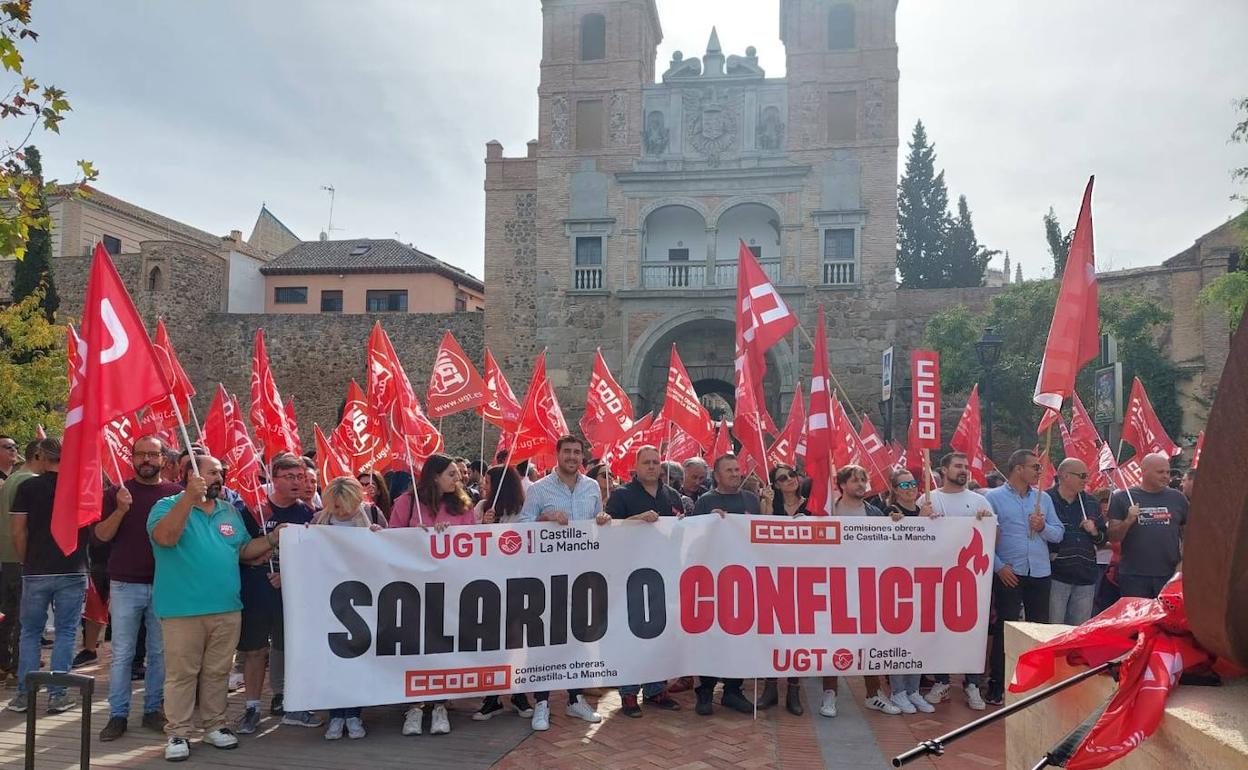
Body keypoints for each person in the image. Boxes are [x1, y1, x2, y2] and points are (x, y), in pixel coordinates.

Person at [148, 454, 283, 762]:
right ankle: (178, 733)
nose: (219, 478)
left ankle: (214, 726)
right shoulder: (166, 507)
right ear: (188, 476)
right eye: (211, 473)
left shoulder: (229, 512)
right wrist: (187, 499)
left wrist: (272, 538)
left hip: (226, 608)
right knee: (182, 674)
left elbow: (244, 551)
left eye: (221, 473)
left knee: (217, 672)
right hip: (182, 609)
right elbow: (166, 538)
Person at [94, 436, 183, 741]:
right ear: (131, 458)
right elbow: (101, 536)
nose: (146, 459)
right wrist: (120, 510)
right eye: (140, 454)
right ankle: (117, 715)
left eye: (152, 454)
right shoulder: (116, 493)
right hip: (124, 584)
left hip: (165, 584)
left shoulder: (176, 494)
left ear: (163, 459)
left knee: (159, 653)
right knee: (122, 654)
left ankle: (152, 710)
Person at [517, 436, 604, 731]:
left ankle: (575, 698)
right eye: (566, 451)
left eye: (577, 452)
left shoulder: (592, 487)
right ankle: (541, 700)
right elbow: (521, 526)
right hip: (546, 575)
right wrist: (544, 518)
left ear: (582, 456)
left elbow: (597, 525)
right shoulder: (540, 489)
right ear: (557, 455)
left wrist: (603, 520)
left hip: (582, 575)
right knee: (543, 639)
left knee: (578, 636)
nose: (572, 456)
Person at [236, 454, 320, 735]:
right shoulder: (253, 509)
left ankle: (287, 700)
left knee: (290, 648)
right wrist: (262, 549)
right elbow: (241, 550)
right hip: (255, 590)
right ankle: (251, 708)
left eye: (301, 477)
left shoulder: (307, 514)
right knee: (255, 651)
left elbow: (313, 557)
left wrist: (287, 574)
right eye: (290, 477)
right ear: (274, 479)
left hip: (290, 592)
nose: (298, 482)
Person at [392, 453, 475, 736]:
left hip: (452, 588)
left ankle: (440, 704)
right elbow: (390, 541)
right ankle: (414, 707)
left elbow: (477, 542)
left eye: (458, 474)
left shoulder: (463, 505)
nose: (459, 478)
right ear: (434, 477)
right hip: (414, 588)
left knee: (443, 645)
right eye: (451, 474)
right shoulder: (406, 503)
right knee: (416, 645)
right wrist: (415, 536)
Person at [6, 438, 88, 715]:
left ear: (42, 456)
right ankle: (57, 694)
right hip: (72, 567)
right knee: (66, 632)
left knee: (29, 632)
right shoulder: (79, 489)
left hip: (36, 570)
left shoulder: (27, 487)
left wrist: (24, 559)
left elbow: (18, 530)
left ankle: (24, 695)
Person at [600, 446, 683, 718]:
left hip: (662, 575)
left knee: (658, 633)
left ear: (661, 466)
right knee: (631, 632)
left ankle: (655, 688)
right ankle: (628, 692)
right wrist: (635, 521)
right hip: (629, 575)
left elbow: (682, 534)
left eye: (655, 462)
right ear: (635, 466)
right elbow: (608, 529)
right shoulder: (622, 495)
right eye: (646, 462)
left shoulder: (671, 496)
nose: (651, 466)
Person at [983, 449, 1063, 706]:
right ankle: (997, 682)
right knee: (1005, 628)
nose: (1040, 472)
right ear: (1018, 469)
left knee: (1039, 627)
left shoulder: (1044, 500)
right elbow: (984, 537)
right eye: (1035, 467)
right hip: (1010, 572)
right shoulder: (992, 498)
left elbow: (1058, 534)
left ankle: (1035, 681)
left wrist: (1043, 527)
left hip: (1040, 571)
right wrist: (998, 567)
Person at [918, 452, 995, 711]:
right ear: (943, 469)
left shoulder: (979, 502)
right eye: (958, 466)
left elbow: (996, 537)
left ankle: (971, 684)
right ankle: (942, 682)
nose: (964, 470)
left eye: (966, 466)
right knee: (939, 630)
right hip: (937, 578)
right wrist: (922, 518)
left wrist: (987, 523)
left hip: (971, 580)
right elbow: (913, 539)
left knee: (970, 631)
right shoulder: (928, 499)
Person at [823, 465, 902, 717]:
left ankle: (873, 693)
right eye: (855, 481)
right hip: (833, 583)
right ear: (842, 484)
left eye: (863, 480)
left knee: (869, 637)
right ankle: (829, 692)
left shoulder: (875, 514)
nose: (860, 485)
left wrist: (897, 524)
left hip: (866, 584)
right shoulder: (827, 511)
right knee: (831, 639)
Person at [688, 454, 758, 716]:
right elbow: (694, 539)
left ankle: (732, 690)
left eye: (738, 469)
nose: (736, 474)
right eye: (729, 470)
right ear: (716, 475)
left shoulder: (751, 500)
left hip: (743, 579)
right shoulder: (706, 501)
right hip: (713, 580)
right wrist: (708, 523)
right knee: (710, 635)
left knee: (739, 635)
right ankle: (705, 691)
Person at [313, 477, 382, 740]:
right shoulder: (320, 519)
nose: (340, 512)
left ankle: (353, 714)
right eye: (336, 507)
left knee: (356, 656)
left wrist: (379, 536)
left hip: (361, 597)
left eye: (345, 507)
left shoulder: (373, 515)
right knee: (333, 658)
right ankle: (335, 715)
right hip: (328, 598)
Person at [471, 464, 536, 722]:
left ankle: (518, 694)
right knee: (491, 642)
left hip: (517, 585)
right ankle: (492, 697)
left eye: (488, 481)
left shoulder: (523, 510)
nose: (484, 486)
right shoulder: (481, 508)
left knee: (514, 642)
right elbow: (468, 543)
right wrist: (483, 526)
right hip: (488, 585)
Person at [755, 463, 809, 715]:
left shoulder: (813, 504)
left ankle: (794, 690)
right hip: (774, 576)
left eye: (792, 475)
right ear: (775, 484)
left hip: (806, 576)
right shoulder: (772, 504)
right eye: (782, 478)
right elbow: (761, 534)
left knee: (798, 634)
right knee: (771, 631)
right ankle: (770, 688)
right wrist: (765, 505)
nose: (789, 480)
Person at [1106, 452, 1188, 599]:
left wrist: (1182, 563)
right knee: (1136, 621)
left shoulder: (1178, 498)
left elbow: (1189, 533)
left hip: (1169, 573)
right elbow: (1113, 536)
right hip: (1134, 575)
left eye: (1168, 472)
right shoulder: (1123, 498)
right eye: (1160, 472)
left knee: (1165, 620)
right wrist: (1128, 521)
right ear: (1144, 471)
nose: (1165, 476)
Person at [1046, 458, 1107, 626]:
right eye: (1082, 476)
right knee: (1053, 629)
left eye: (1086, 476)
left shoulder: (1091, 502)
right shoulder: (1046, 499)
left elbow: (1103, 539)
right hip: (1056, 575)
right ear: (1065, 476)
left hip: (1085, 576)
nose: (1086, 480)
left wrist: (1094, 531)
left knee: (1078, 631)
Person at [0, 439, 40, 686]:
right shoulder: (27, 481)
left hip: (8, 555)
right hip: (20, 555)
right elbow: (25, 526)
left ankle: (5, 663)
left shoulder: (13, 479)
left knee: (9, 612)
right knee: (21, 615)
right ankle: (17, 669)